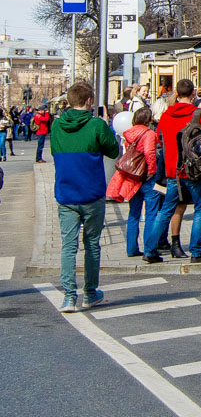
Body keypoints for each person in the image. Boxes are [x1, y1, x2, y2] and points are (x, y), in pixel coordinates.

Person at [51, 82, 120, 312]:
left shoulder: (57, 126)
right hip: (92, 193)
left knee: (68, 246)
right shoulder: (96, 125)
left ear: (69, 101)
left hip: (66, 193)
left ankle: (69, 296)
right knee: (91, 244)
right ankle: (90, 293)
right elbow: (113, 151)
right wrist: (107, 126)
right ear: (89, 101)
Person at [142, 79, 201, 264]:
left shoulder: (167, 115)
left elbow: (160, 141)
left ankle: (150, 250)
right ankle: (197, 250)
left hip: (172, 171)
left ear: (176, 93)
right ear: (193, 94)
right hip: (193, 170)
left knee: (166, 210)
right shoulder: (198, 114)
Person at [116, 107, 160, 258]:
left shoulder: (128, 133)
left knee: (133, 213)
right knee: (151, 214)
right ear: (148, 121)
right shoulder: (149, 134)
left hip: (132, 175)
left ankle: (131, 248)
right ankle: (149, 248)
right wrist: (152, 171)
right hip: (146, 176)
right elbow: (149, 153)